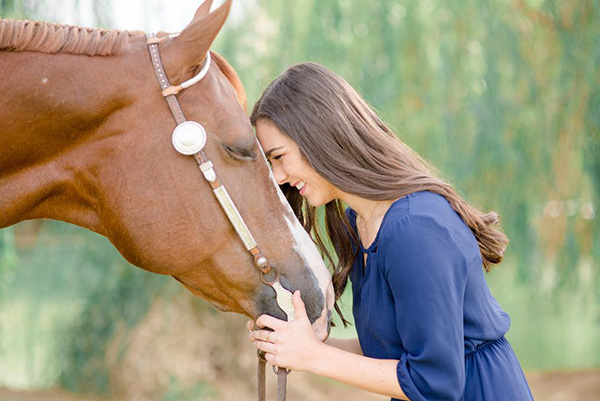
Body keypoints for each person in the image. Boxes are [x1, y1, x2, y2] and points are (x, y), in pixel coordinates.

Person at [247, 62, 534, 401]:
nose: (278, 176)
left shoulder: (414, 229)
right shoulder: (358, 224)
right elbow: (393, 352)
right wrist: (303, 344)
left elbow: (435, 382)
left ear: (318, 136)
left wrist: (315, 355)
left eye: (278, 157)